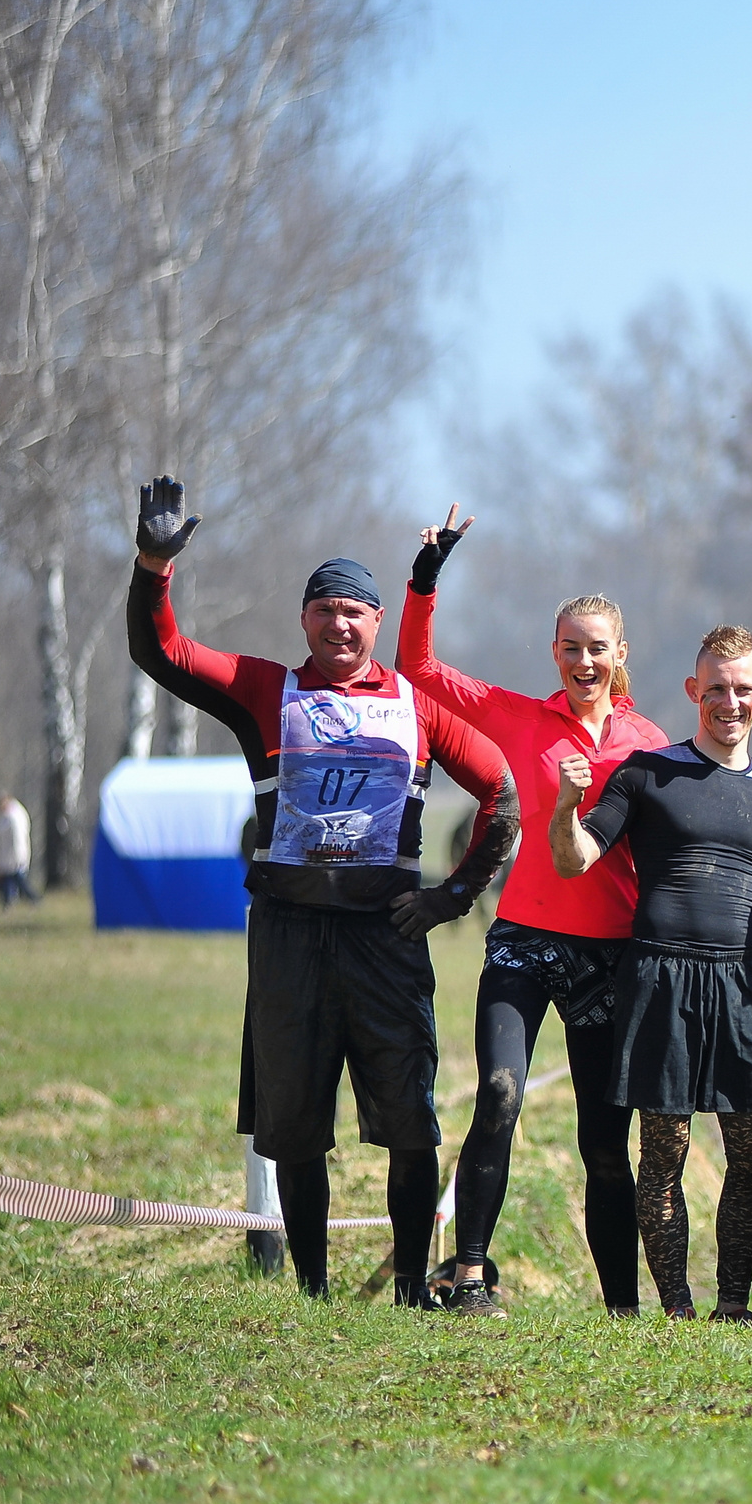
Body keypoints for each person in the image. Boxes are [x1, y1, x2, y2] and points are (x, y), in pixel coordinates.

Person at [124, 475, 519, 1306]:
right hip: (289, 937)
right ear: (304, 619)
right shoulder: (268, 691)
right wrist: (153, 567)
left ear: (376, 624)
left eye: (356, 611)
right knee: (295, 1131)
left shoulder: (417, 707)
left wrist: (451, 898)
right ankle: (311, 1291)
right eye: (325, 608)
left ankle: (413, 1286)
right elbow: (164, 653)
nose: (341, 622)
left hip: (386, 936)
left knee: (411, 1124)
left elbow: (503, 795)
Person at [396, 507, 692, 1316]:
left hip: (610, 953)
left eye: (598, 647)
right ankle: (469, 1274)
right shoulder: (521, 717)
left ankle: (622, 1308)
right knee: (498, 1091)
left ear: (620, 655)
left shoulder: (652, 743)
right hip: (524, 940)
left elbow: (677, 846)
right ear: (553, 653)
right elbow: (416, 665)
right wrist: (426, 580)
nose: (584, 660)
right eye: (571, 647)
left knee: (604, 1144)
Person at [551, 626, 752, 1322]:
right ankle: (679, 1310)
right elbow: (576, 859)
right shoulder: (647, 774)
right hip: (658, 981)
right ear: (694, 691)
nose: (729, 701)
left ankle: (732, 1305)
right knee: (665, 1151)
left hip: (742, 985)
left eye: (742, 688)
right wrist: (567, 807)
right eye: (715, 688)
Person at [0, 793, 32, 908]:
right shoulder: (12, 815)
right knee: (11, 881)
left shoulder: (13, 817)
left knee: (17, 881)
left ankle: (32, 899)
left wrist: (16, 856)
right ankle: (9, 904)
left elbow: (17, 839)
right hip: (9, 856)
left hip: (14, 856)